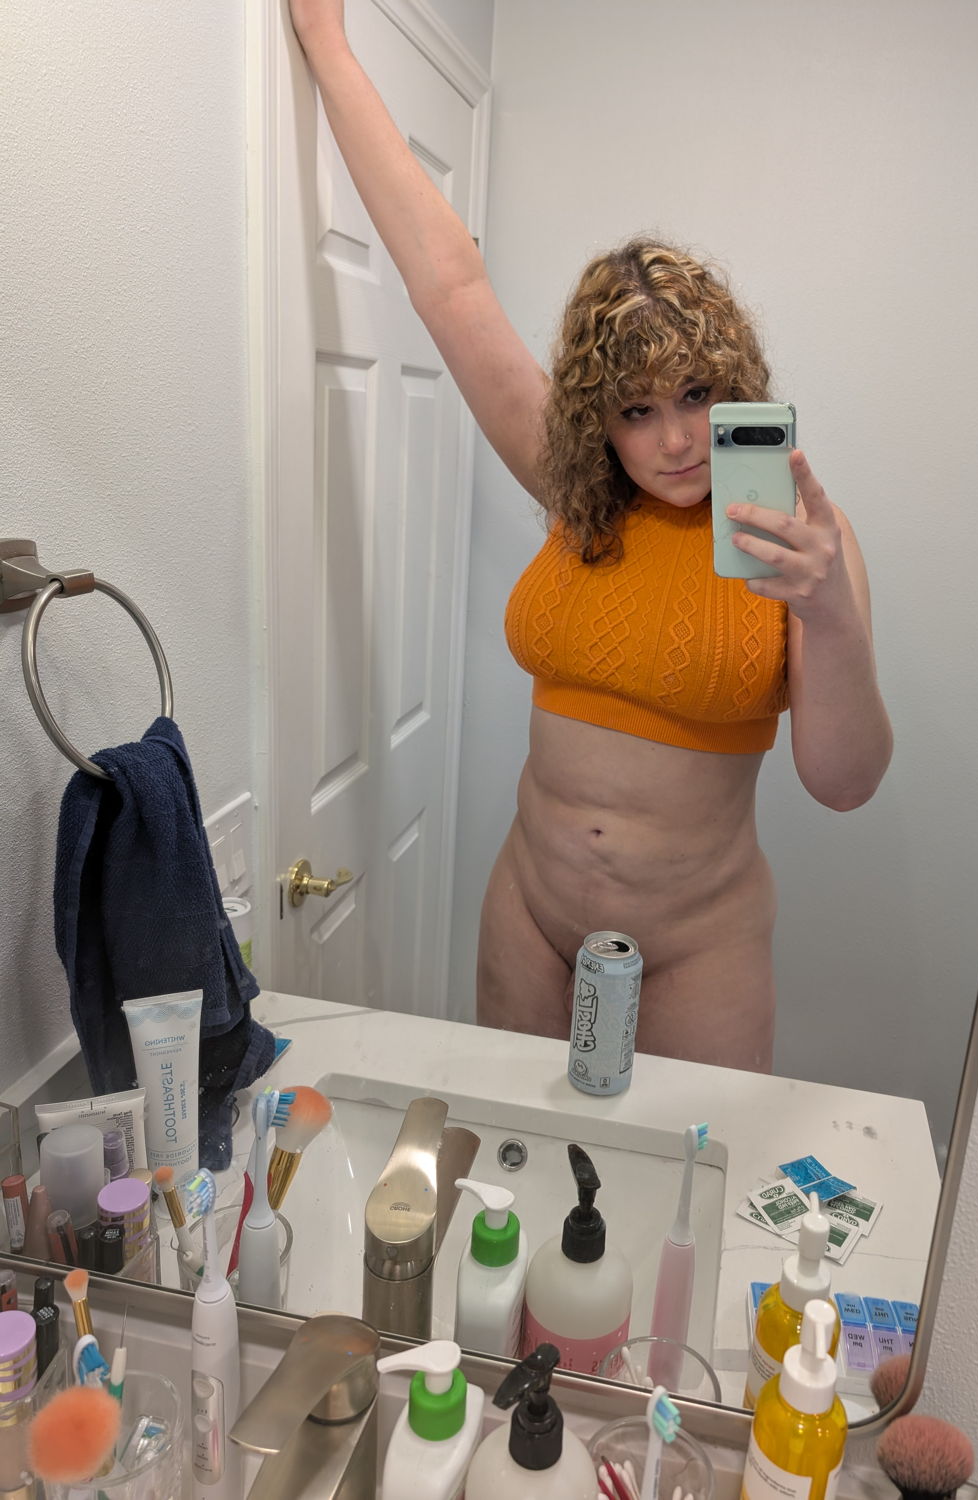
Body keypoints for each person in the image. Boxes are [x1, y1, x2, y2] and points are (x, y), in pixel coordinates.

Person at [287, 0, 893, 1072]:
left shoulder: (802, 540)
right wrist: (328, 44)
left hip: (699, 945)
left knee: (681, 1169)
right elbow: (447, 285)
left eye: (696, 395)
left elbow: (844, 782)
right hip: (530, 911)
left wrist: (832, 613)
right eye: (635, 410)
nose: (674, 441)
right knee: (506, 1157)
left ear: (738, 384)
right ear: (595, 419)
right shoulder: (579, 493)